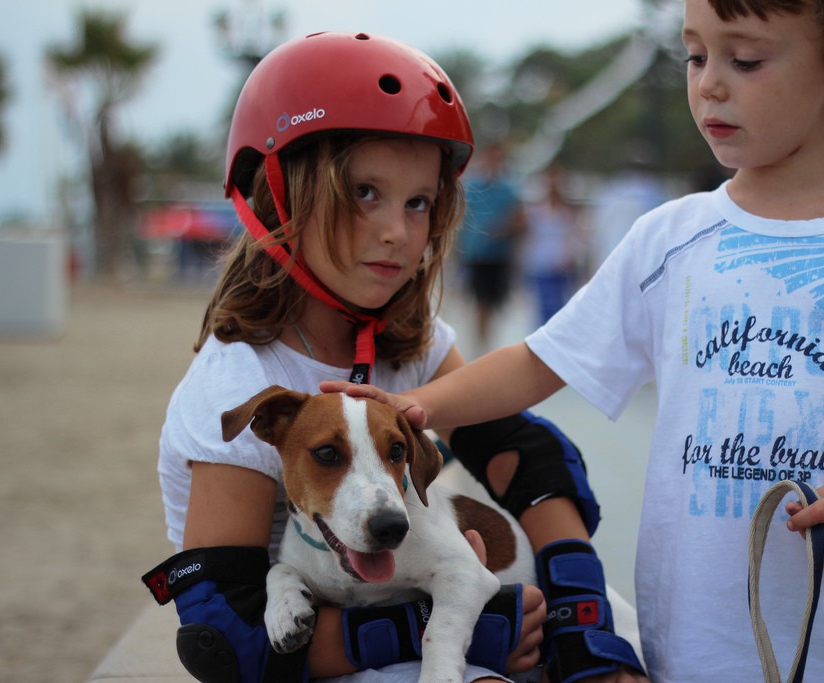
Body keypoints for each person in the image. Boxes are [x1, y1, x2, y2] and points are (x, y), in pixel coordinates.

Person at [327, 2, 824, 681]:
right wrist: (413, 405)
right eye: (696, 55)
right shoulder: (668, 240)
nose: (708, 84)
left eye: (747, 59)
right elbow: (537, 361)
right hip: (691, 648)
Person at [141, 32, 645, 683]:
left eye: (419, 203)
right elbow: (229, 636)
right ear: (280, 196)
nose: (396, 231)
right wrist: (444, 627)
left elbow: (529, 461)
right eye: (364, 193)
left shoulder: (413, 342)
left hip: (424, 596)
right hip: (314, 657)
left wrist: (582, 622)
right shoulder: (239, 382)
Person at [458, 143, 526, 353]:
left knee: (495, 303)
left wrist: (504, 229)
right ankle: (481, 345)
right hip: (477, 253)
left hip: (499, 255)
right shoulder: (473, 185)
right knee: (481, 301)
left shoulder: (509, 187)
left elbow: (519, 219)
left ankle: (486, 344)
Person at [521, 165, 587, 325]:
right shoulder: (533, 210)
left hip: (562, 267)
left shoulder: (569, 212)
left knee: (561, 310)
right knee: (542, 310)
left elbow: (578, 237)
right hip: (540, 266)